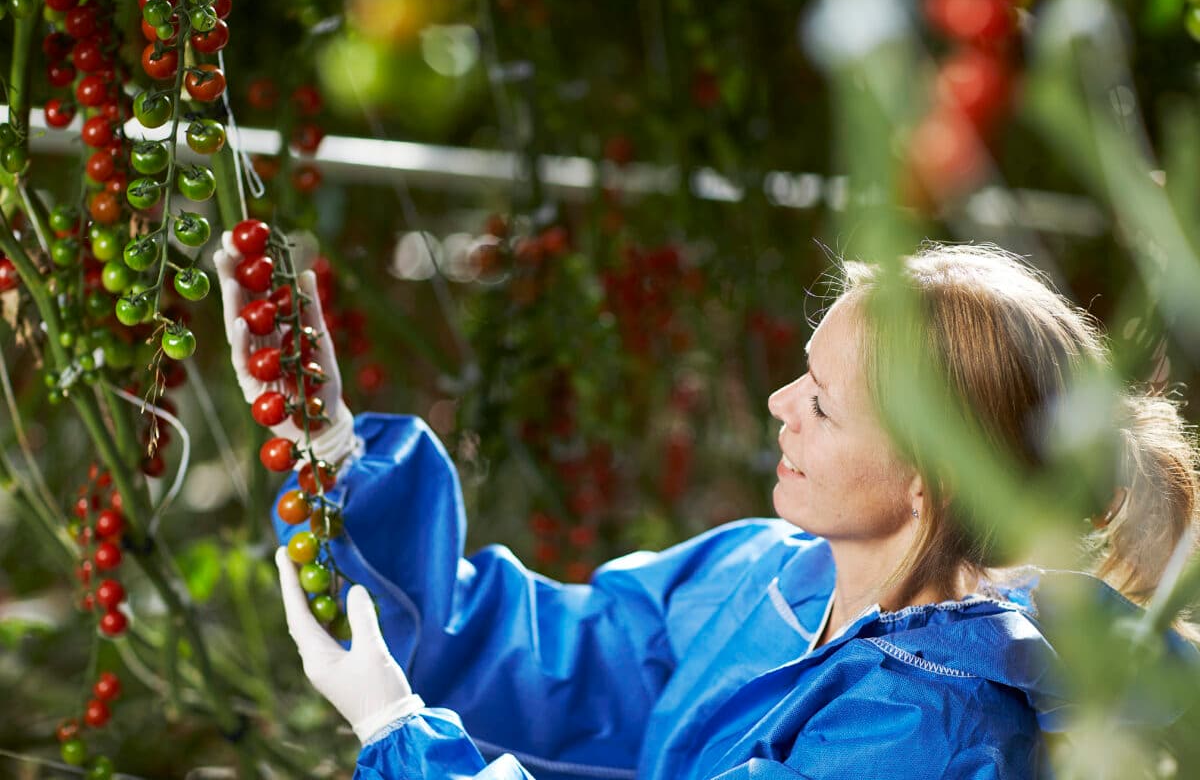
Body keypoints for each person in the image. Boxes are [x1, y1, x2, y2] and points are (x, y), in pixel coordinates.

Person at [216, 239, 1199, 779]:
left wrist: (408, 743)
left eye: (821, 400)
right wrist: (335, 454)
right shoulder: (771, 573)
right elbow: (560, 661)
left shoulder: (922, 728)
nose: (779, 405)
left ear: (927, 482)